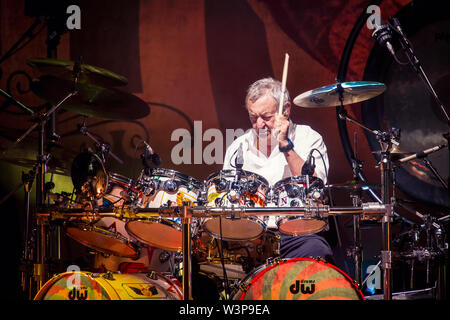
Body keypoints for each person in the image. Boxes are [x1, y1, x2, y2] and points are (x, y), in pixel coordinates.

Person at [223, 77, 334, 262]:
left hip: (298, 234)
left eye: (266, 117)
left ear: (286, 109)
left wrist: (286, 146)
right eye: (253, 117)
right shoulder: (238, 146)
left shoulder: (309, 138)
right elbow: (226, 198)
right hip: (250, 237)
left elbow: (316, 187)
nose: (259, 125)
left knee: (317, 250)